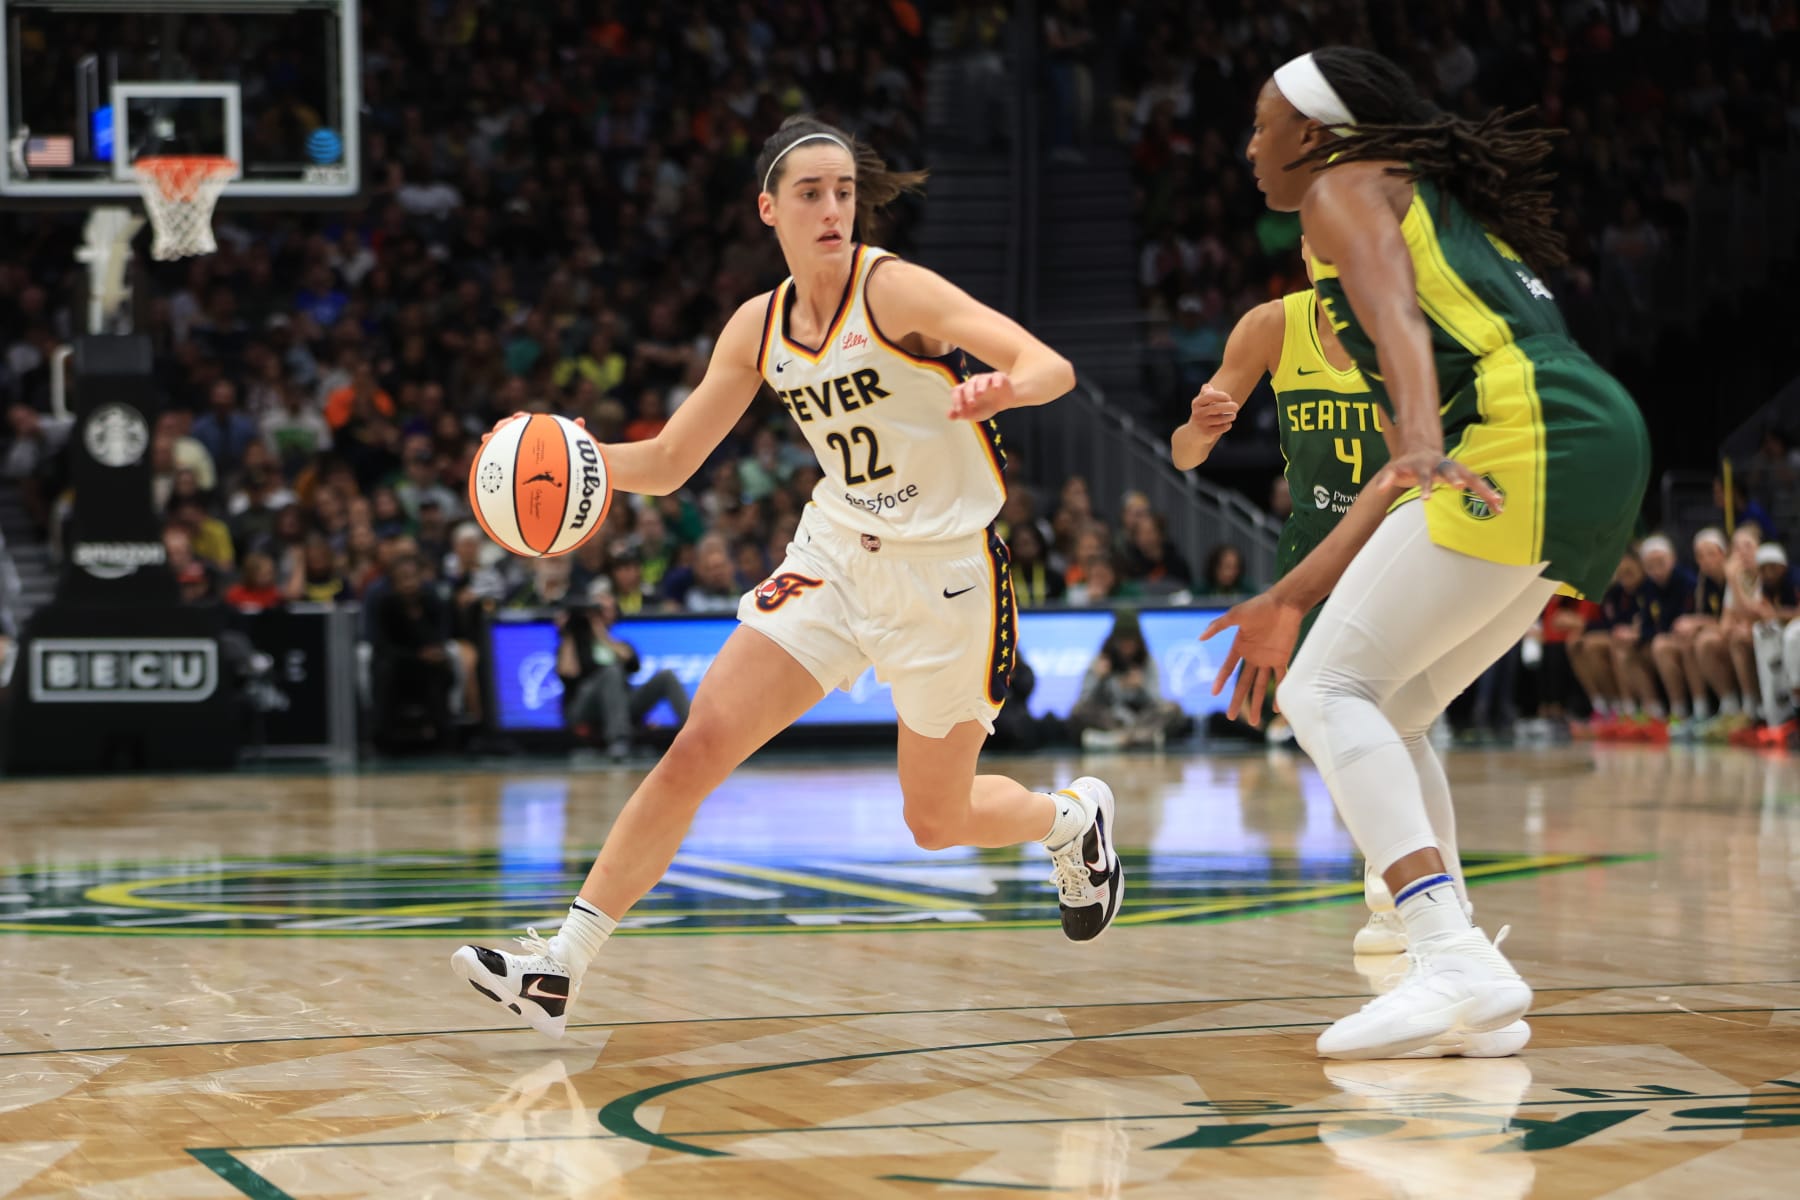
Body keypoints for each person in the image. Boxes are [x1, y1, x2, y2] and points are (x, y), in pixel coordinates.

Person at [452, 116, 1122, 1038]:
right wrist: (570, 462)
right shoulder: (757, 326)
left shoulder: (895, 290)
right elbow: (674, 460)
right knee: (699, 744)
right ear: (768, 208)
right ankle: (560, 965)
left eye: (845, 190)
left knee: (936, 819)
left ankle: (1067, 819)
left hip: (947, 578)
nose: (833, 208)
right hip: (835, 555)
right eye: (811, 193)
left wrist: (1005, 386)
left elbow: (1050, 365)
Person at [1203, 48, 1649, 1060]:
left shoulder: (1344, 189)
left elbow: (1398, 331)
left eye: (1262, 121)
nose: (1248, 145)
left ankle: (1446, 954)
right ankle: (1456, 986)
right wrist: (1292, 592)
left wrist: (1412, 429)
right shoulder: (1424, 206)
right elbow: (1400, 477)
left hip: (1533, 434)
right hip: (1580, 443)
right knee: (1390, 704)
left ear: (1313, 133)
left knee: (1325, 694)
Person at [557, 579, 690, 760]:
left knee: (666, 676)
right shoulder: (575, 642)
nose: (602, 613)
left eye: (606, 609)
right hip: (584, 707)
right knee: (610, 672)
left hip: (621, 707)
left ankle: (694, 732)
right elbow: (567, 673)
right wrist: (567, 633)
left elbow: (633, 663)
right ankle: (619, 740)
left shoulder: (619, 643)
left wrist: (601, 634)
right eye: (598, 609)